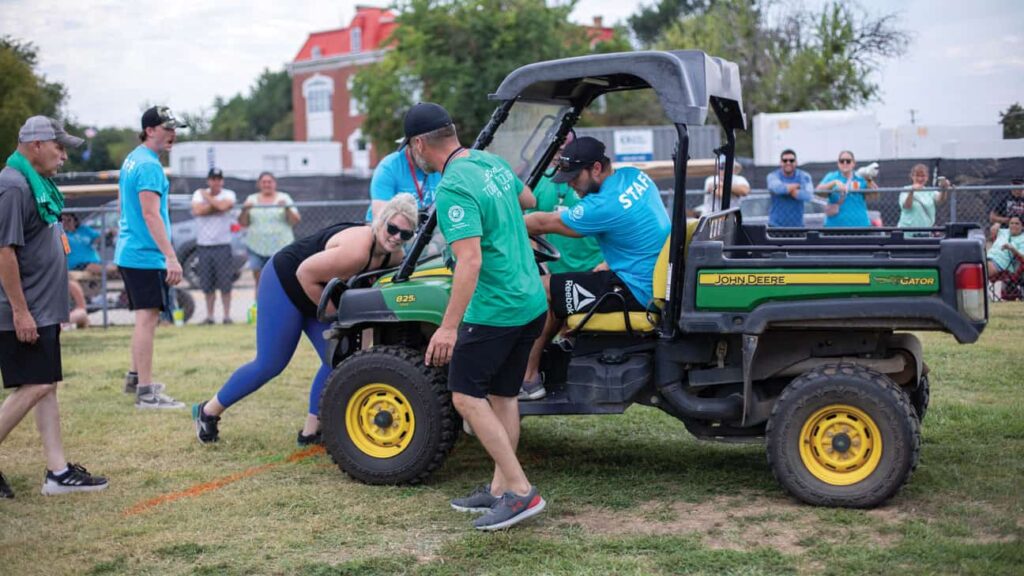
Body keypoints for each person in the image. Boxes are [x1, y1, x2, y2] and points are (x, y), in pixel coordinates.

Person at [404, 102, 546, 531]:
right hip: (530, 300)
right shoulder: (490, 162)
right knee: (503, 397)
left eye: (409, 148)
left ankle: (521, 492)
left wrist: (448, 328)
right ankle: (502, 488)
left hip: (496, 308)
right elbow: (529, 199)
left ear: (419, 144)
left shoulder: (452, 186)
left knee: (465, 396)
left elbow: (469, 262)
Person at [192, 193, 418, 445]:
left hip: (318, 291)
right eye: (392, 228)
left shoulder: (394, 257)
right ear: (381, 221)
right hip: (285, 281)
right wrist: (336, 317)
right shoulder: (357, 250)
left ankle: (310, 433)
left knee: (337, 359)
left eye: (405, 234)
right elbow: (305, 273)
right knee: (270, 363)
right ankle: (207, 412)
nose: (396, 237)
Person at [0, 115, 108, 498]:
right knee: (37, 384)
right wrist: (21, 311)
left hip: (42, 307)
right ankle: (57, 472)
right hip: (24, 308)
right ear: (36, 145)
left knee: (46, 386)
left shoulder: (37, 183)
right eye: (59, 147)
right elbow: (4, 252)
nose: (64, 156)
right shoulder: (13, 185)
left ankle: (57, 472)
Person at [523, 136, 671, 400]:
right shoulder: (634, 176)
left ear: (596, 168)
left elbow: (544, 223)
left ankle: (527, 380)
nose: (570, 184)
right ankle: (566, 346)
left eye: (574, 177)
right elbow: (641, 227)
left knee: (544, 289)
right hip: (648, 277)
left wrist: (499, 221)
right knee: (570, 283)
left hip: (637, 290)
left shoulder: (602, 205)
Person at [115, 106, 187, 409]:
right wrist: (171, 256)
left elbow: (125, 204)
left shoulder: (134, 158)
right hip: (144, 255)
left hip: (131, 251)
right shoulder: (149, 166)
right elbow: (150, 214)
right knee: (147, 319)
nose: (173, 134)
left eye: (174, 128)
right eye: (167, 128)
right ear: (149, 130)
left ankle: (135, 379)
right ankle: (146, 393)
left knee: (144, 319)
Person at [191, 168, 237, 324]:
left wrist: (207, 198)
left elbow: (224, 207)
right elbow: (198, 210)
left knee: (225, 284)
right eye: (213, 179)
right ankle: (210, 316)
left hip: (223, 245)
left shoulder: (228, 194)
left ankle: (226, 316)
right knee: (207, 283)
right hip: (204, 245)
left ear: (222, 181)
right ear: (208, 180)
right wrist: (216, 205)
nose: (216, 182)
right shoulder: (197, 194)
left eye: (218, 179)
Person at [239, 172, 300, 290]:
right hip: (256, 246)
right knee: (259, 281)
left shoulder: (284, 198)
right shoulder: (251, 199)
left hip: (280, 246)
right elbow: (243, 223)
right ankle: (260, 302)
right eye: (264, 182)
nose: (267, 184)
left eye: (269, 182)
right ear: (259, 184)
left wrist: (287, 208)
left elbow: (295, 221)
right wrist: (245, 210)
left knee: (280, 280)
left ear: (274, 183)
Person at [365, 143, 442, 221]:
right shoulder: (389, 167)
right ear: (414, 143)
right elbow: (381, 220)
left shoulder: (440, 165)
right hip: (395, 227)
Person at [62, 212, 110, 328]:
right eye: (63, 220)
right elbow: (65, 250)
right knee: (95, 267)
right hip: (77, 264)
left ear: (75, 221)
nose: (66, 223)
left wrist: (109, 234)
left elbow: (99, 238)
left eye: (69, 220)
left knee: (105, 267)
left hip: (94, 263)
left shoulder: (84, 230)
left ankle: (114, 275)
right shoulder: (62, 235)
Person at [816, 150, 877, 227]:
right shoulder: (831, 176)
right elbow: (818, 191)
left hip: (860, 225)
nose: (845, 163)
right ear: (838, 163)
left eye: (848, 161)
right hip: (835, 226)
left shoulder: (860, 177)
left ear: (853, 163)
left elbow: (874, 195)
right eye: (842, 161)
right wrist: (834, 183)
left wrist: (869, 179)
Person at [765, 149, 814, 227]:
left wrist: (786, 190)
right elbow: (778, 189)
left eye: (791, 160)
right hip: (775, 226)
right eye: (785, 160)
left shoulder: (804, 176)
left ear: (796, 162)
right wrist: (798, 186)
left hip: (797, 227)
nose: (788, 163)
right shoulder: (773, 176)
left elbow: (808, 196)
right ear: (780, 162)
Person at [897, 164, 947, 236]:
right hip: (907, 233)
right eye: (917, 176)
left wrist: (944, 189)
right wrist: (912, 191)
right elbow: (907, 206)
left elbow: (940, 200)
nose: (920, 179)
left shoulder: (930, 191)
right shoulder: (905, 189)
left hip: (926, 232)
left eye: (923, 176)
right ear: (912, 176)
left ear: (927, 177)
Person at [988, 178, 1024, 242]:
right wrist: (1006, 220)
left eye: (1018, 188)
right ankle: (998, 246)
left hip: (1022, 225)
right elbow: (992, 217)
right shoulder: (1006, 198)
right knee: (994, 227)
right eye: (1013, 188)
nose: (1015, 190)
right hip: (1007, 226)